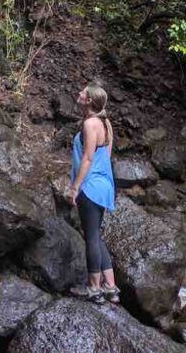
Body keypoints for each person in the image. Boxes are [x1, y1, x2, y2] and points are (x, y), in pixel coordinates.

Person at [68, 82, 120, 304]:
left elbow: (88, 158)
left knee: (90, 237)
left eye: (83, 92)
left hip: (90, 186)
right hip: (105, 185)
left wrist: (75, 186)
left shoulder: (90, 124)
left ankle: (94, 288)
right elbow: (105, 156)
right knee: (96, 234)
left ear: (89, 100)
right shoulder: (106, 123)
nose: (79, 93)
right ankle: (111, 287)